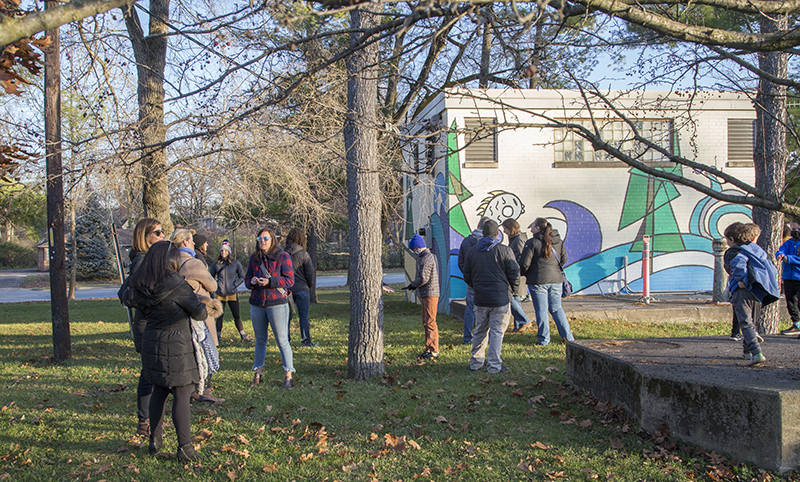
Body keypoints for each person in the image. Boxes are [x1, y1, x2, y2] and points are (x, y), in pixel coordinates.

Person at [127, 241, 207, 461]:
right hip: (177, 343)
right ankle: (185, 448)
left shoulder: (141, 283)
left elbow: (126, 297)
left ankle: (155, 439)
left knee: (159, 390)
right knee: (182, 394)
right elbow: (200, 313)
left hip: (151, 340)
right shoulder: (176, 284)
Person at [171, 228, 224, 404]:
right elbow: (213, 285)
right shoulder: (193, 263)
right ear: (185, 242)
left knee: (191, 352)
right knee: (207, 351)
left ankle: (191, 390)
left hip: (179, 315)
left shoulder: (170, 261)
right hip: (200, 312)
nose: (194, 243)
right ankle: (206, 391)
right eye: (192, 240)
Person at [462, 220, 519, 374]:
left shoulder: (473, 251)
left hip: (480, 298)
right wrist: (512, 291)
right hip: (500, 298)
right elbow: (514, 273)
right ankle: (494, 365)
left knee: (480, 330)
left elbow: (467, 275)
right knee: (496, 332)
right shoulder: (505, 250)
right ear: (497, 234)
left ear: (482, 232)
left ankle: (476, 362)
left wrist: (476, 286)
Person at [245, 227, 296, 389]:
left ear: (273, 240)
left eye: (266, 239)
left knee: (282, 341)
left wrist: (270, 282)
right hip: (257, 303)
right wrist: (252, 282)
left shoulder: (283, 256)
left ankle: (288, 376)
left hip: (277, 304)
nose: (263, 242)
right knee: (260, 340)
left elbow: (289, 281)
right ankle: (257, 373)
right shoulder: (254, 258)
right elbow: (246, 280)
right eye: (260, 239)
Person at [724, 222, 780, 366]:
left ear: (732, 238)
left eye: (727, 239)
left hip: (742, 290)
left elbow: (738, 265)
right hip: (758, 290)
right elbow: (771, 268)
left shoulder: (734, 251)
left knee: (745, 322)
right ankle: (746, 351)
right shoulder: (756, 249)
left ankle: (757, 353)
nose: (726, 242)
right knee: (751, 322)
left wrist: (742, 280)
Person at [128, 218, 164, 437]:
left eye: (162, 232)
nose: (162, 236)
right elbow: (135, 294)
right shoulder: (141, 261)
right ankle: (144, 421)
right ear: (146, 236)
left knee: (153, 372)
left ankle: (151, 418)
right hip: (146, 324)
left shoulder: (148, 259)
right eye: (158, 233)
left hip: (154, 323)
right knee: (148, 373)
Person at [519, 217, 575, 346]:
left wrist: (526, 273)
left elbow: (524, 263)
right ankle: (568, 337)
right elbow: (564, 258)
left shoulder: (532, 242)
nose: (531, 228)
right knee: (556, 308)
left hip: (538, 280)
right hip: (556, 279)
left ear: (537, 228)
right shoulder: (558, 240)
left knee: (541, 310)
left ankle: (544, 340)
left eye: (532, 226)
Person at [403, 234, 440, 359]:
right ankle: (429, 347)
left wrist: (413, 285)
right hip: (427, 293)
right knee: (426, 322)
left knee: (430, 322)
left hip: (430, 293)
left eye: (414, 250)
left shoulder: (426, 258)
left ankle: (433, 350)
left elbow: (424, 278)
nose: (414, 252)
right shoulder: (426, 257)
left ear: (418, 247)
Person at [209, 241, 251, 342]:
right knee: (219, 316)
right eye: (222, 250)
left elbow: (242, 276)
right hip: (220, 294)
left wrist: (235, 285)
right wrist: (216, 286)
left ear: (229, 252)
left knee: (236, 315)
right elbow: (210, 277)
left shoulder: (235, 263)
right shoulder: (216, 264)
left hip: (232, 293)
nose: (223, 252)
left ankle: (243, 335)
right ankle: (218, 336)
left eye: (225, 250)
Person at [284, 227, 318, 347]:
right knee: (304, 316)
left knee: (286, 317)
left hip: (287, 289)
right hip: (302, 288)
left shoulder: (283, 254)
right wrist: (309, 285)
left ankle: (286, 341)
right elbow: (310, 272)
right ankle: (306, 340)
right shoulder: (304, 254)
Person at [458, 217, 489, 344]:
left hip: (472, 281)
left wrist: (468, 277)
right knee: (486, 310)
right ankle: (485, 338)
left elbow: (461, 262)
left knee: (470, 309)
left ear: (478, 225)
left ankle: (467, 337)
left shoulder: (466, 241)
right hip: (485, 281)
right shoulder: (487, 242)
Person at [502, 218, 533, 332]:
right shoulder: (516, 238)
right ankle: (519, 325)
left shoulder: (519, 240)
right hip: (517, 273)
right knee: (516, 298)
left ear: (510, 228)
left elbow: (520, 256)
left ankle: (524, 320)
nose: (504, 231)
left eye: (505, 228)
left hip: (517, 273)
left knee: (512, 298)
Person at [777, 220, 800, 336]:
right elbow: (780, 250)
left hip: (799, 277)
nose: (795, 232)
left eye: (797, 230)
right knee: (790, 301)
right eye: (793, 229)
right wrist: (779, 254)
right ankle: (796, 324)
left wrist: (789, 259)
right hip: (788, 276)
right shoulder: (788, 243)